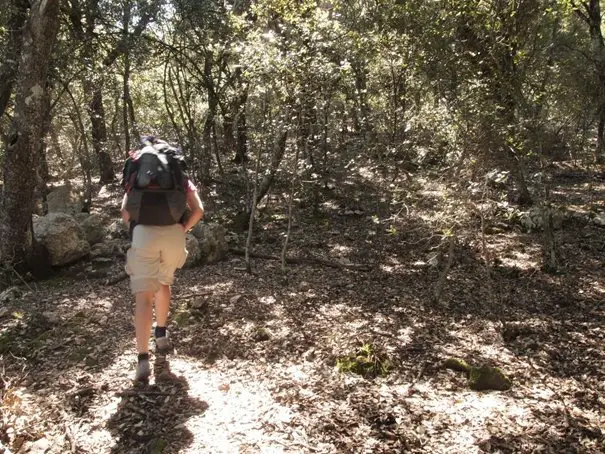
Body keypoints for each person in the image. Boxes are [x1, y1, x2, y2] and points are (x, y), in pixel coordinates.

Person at [120, 137, 204, 381]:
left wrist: (136, 229)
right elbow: (199, 209)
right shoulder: (179, 175)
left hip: (143, 233)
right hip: (173, 234)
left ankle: (143, 361)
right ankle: (162, 335)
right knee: (164, 283)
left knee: (143, 296)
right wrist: (183, 228)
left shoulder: (138, 175)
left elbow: (125, 212)